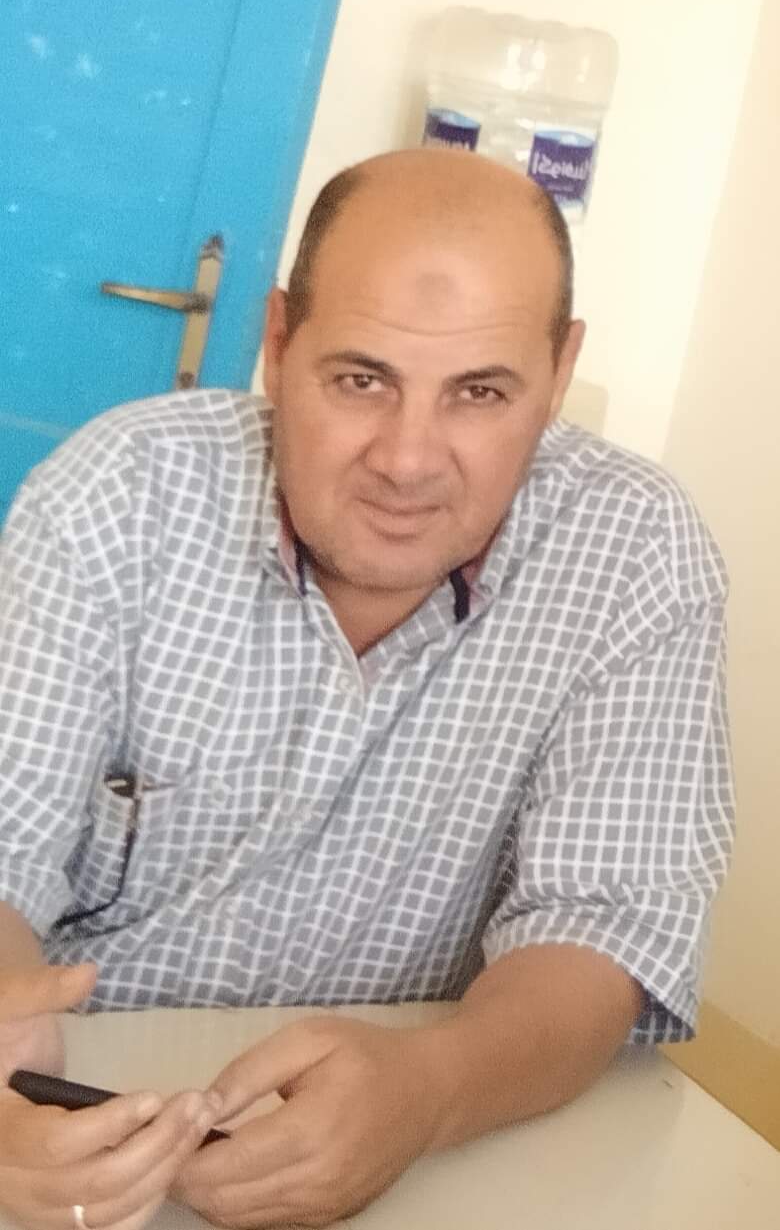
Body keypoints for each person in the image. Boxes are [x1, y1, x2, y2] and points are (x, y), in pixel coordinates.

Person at [0, 148, 733, 1229]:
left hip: (435, 1154)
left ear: (559, 371)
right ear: (278, 341)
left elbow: (605, 926)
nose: (408, 460)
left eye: (480, 392)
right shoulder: (118, 491)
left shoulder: (636, 552)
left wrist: (434, 1092)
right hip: (76, 1126)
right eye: (361, 379)